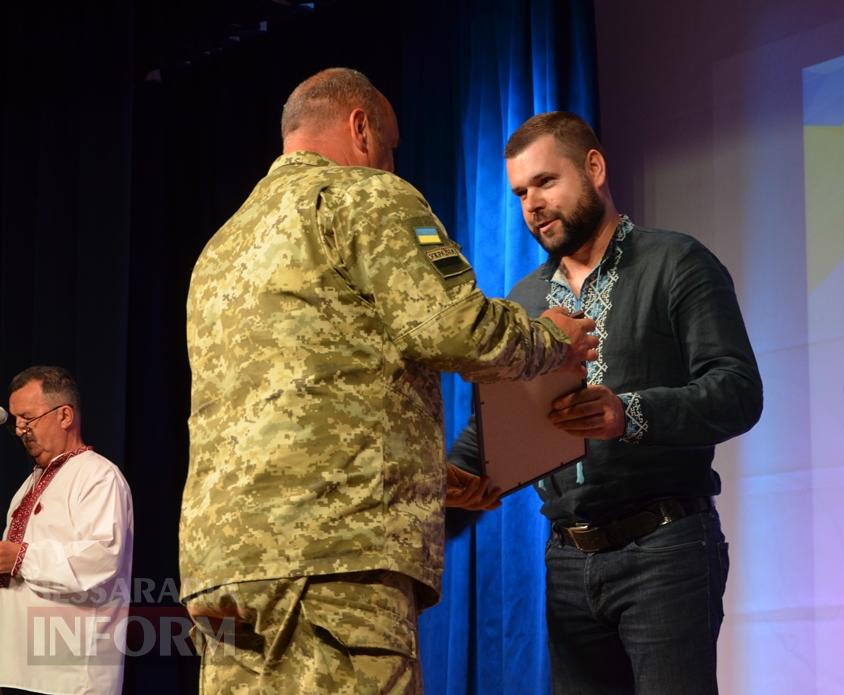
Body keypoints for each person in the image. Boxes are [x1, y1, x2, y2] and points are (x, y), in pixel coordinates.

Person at [179, 68, 597, 694]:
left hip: (224, 572)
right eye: (392, 145)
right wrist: (551, 340)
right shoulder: (366, 196)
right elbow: (457, 328)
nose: (392, 163)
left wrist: (426, 478)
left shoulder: (220, 247)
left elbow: (295, 399)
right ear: (360, 127)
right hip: (334, 565)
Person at [448, 112, 764, 694]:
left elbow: (737, 392)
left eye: (545, 182)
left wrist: (628, 414)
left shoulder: (677, 262)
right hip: (567, 560)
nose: (532, 205)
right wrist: (463, 478)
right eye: (521, 193)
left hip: (664, 548)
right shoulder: (523, 301)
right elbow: (493, 425)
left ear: (593, 168)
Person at [0, 366, 134, 695]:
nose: (19, 430)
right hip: (16, 669)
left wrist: (20, 558)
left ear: (64, 416)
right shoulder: (27, 486)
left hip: (70, 677)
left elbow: (101, 560)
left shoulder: (98, 475)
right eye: (16, 420)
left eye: (28, 419)